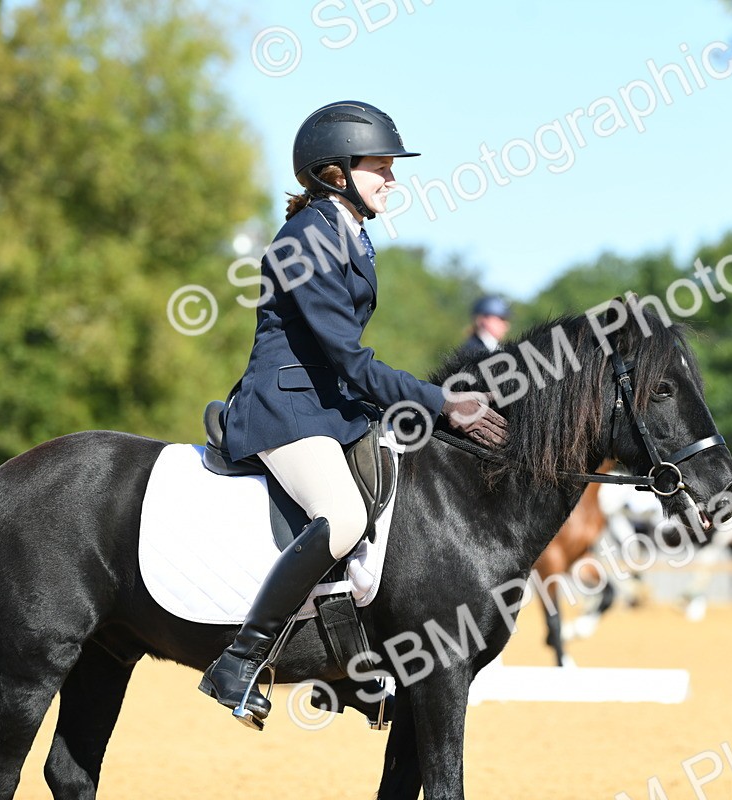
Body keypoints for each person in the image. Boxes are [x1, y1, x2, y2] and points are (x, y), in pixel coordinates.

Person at [199, 100, 507, 727]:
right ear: (335, 172)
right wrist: (440, 402)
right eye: (380, 168)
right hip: (285, 407)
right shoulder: (308, 239)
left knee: (403, 496)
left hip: (327, 405)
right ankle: (240, 660)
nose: (392, 179)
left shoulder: (348, 233)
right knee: (342, 516)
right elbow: (348, 357)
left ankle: (352, 666)